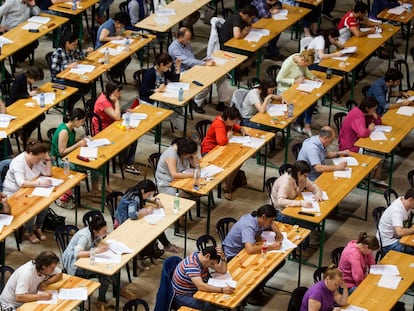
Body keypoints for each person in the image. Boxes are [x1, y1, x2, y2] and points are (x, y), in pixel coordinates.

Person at [168, 27, 233, 113]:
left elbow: (192, 58)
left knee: (221, 77)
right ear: (180, 38)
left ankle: (221, 102)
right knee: (205, 84)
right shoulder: (174, 48)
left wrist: (203, 61)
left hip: (194, 67)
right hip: (183, 72)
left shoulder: (186, 43)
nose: (189, 41)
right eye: (187, 39)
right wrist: (203, 63)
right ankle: (196, 103)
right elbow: (187, 61)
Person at [62, 215, 116, 310]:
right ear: (95, 231)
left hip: (85, 259)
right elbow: (77, 253)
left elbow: (96, 241)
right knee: (105, 273)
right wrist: (96, 251)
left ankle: (107, 295)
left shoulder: (93, 232)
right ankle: (101, 300)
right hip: (74, 263)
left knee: (111, 270)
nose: (106, 232)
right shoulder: (84, 236)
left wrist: (106, 245)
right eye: (104, 231)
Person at [3, 141, 52, 244]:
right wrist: (40, 183)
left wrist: (47, 159)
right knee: (31, 206)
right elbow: (21, 183)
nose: (39, 161)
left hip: (29, 189)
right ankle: (28, 231)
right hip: (14, 192)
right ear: (30, 154)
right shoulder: (19, 162)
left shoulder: (36, 161)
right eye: (39, 158)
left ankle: (38, 227)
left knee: (45, 202)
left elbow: (48, 173)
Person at [115, 180, 183, 254]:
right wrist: (146, 212)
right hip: (124, 223)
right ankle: (141, 256)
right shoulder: (134, 199)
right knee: (151, 230)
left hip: (129, 219)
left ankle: (165, 245)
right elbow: (132, 215)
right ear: (143, 191)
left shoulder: (138, 191)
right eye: (149, 194)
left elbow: (145, 198)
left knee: (156, 226)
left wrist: (155, 200)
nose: (149, 196)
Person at [200, 106, 248, 200]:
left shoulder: (226, 121)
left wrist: (240, 129)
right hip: (210, 151)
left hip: (219, 149)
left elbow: (234, 126)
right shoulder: (219, 124)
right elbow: (222, 141)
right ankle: (228, 187)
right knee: (231, 164)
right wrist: (228, 137)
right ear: (229, 118)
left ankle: (228, 184)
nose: (235, 123)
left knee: (237, 162)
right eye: (234, 120)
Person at [50, 108, 100, 196]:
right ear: (76, 120)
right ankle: (94, 190)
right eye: (82, 121)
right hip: (62, 161)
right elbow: (62, 152)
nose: (82, 123)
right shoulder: (64, 132)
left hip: (69, 156)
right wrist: (78, 145)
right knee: (93, 166)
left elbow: (69, 141)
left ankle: (95, 189)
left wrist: (82, 139)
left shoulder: (70, 128)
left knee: (96, 163)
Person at [93, 81, 139, 175]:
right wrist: (117, 102)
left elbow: (114, 113)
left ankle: (129, 161)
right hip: (103, 130)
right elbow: (116, 117)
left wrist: (124, 111)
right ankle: (124, 162)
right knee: (125, 137)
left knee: (134, 135)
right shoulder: (104, 101)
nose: (120, 93)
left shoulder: (109, 97)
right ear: (113, 91)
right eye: (118, 91)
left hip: (111, 124)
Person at [276, 49, 323, 137]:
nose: (305, 66)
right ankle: (290, 124)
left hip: (297, 88)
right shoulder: (289, 63)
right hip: (285, 90)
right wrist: (294, 81)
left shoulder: (301, 59)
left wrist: (313, 78)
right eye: (305, 64)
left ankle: (304, 124)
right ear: (302, 60)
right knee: (292, 110)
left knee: (310, 102)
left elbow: (306, 71)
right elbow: (278, 79)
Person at [172, 246, 233, 310]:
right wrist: (222, 289)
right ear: (207, 256)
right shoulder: (192, 265)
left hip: (194, 289)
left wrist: (223, 258)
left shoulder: (201, 256)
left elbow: (222, 271)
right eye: (211, 263)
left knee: (217, 298)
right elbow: (201, 286)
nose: (211, 266)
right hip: (183, 296)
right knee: (210, 305)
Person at [50, 32, 93, 113]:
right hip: (59, 79)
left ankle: (70, 102)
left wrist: (86, 52)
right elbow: (54, 67)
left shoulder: (71, 50)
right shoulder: (58, 53)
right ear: (67, 43)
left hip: (71, 75)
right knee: (78, 88)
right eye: (74, 44)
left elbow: (79, 56)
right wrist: (67, 66)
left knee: (87, 85)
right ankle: (69, 106)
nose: (75, 46)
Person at [139, 53, 182, 129]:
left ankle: (177, 125)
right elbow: (143, 92)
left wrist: (178, 68)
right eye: (168, 66)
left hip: (161, 96)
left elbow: (174, 79)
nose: (168, 69)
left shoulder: (164, 71)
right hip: (149, 99)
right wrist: (156, 90)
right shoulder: (149, 74)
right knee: (170, 109)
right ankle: (177, 126)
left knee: (178, 107)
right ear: (162, 65)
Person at [9, 66, 46, 144]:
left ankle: (25, 133)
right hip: (15, 105)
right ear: (30, 77)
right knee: (33, 118)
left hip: (25, 103)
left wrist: (33, 91)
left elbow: (27, 89)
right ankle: (24, 136)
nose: (35, 81)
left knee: (41, 116)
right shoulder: (20, 80)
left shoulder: (28, 80)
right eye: (35, 80)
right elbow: (14, 95)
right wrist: (28, 94)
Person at [0, 0, 40, 64]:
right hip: (12, 30)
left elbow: (37, 13)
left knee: (34, 42)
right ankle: (15, 60)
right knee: (20, 45)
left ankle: (18, 59)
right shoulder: (11, 2)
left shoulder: (28, 1)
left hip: (24, 29)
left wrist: (33, 5)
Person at [96, 12, 132, 82]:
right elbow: (102, 38)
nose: (121, 27)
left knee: (127, 58)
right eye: (121, 25)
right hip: (102, 49)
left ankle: (114, 75)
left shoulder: (114, 25)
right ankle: (111, 75)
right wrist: (116, 38)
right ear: (117, 22)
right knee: (120, 59)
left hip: (109, 46)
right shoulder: (108, 26)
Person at [377, 188, 414, 255]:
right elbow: (399, 232)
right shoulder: (397, 211)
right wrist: (412, 229)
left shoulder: (404, 200)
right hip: (388, 243)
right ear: (410, 200)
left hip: (396, 237)